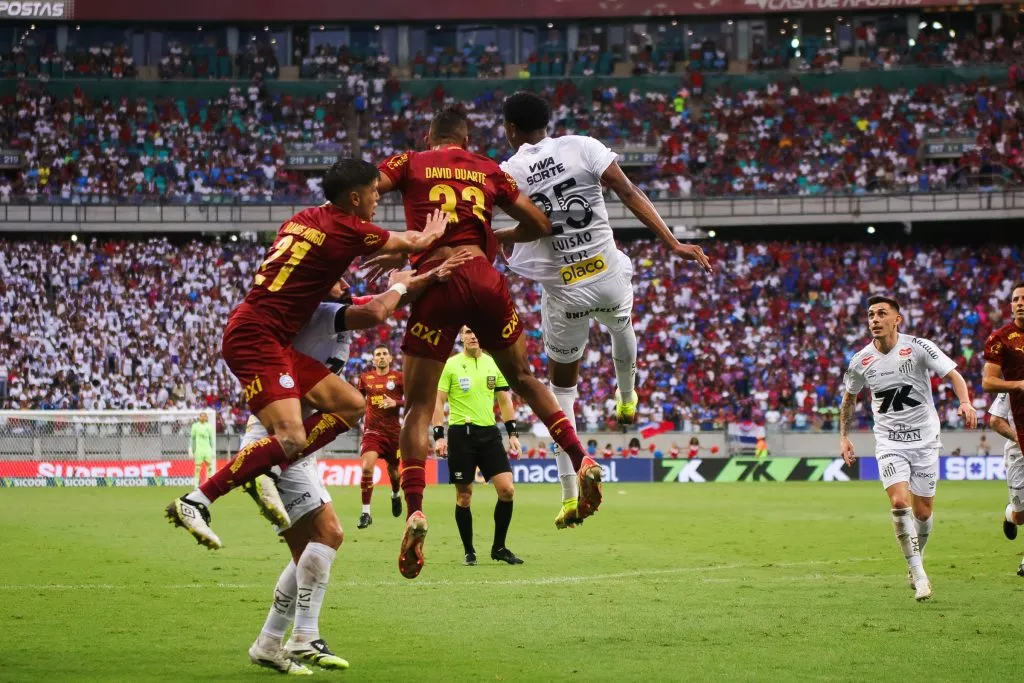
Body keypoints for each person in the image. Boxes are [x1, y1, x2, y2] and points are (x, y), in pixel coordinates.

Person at [165, 159, 450, 550]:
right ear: (354, 197)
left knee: (351, 404)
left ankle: (267, 465)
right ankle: (197, 500)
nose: (376, 200)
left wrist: (332, 277)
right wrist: (435, 232)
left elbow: (298, 263)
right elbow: (412, 245)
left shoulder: (302, 220)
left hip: (273, 338)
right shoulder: (347, 228)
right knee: (291, 438)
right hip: (258, 336)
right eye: (373, 192)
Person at [374, 105, 602, 579]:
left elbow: (362, 195)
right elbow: (541, 222)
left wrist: (397, 245)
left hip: (436, 275)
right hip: (482, 273)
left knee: (418, 406)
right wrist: (491, 240)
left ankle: (415, 510)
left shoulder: (408, 162)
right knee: (522, 376)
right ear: (467, 136)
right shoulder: (489, 169)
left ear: (429, 133)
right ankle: (582, 459)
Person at [498, 91, 711, 528]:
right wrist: (672, 242)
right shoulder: (583, 145)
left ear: (510, 130)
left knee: (562, 393)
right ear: (549, 120)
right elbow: (627, 190)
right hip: (608, 275)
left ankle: (570, 496)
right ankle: (628, 396)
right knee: (621, 326)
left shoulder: (510, 171)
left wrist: (497, 235)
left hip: (566, 289)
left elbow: (525, 228)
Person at [247, 262, 467, 674]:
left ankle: (270, 642)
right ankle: (303, 636)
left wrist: (426, 278)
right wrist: (403, 284)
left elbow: (375, 304)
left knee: (308, 553)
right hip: (280, 440)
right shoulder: (313, 310)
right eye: (338, 277)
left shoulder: (333, 311)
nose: (346, 282)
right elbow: (375, 311)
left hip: (299, 444)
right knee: (328, 535)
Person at [839, 295, 977, 602]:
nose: (874, 319)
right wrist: (844, 436)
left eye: (881, 314)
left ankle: (917, 559)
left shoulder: (918, 347)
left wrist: (965, 401)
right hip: (889, 442)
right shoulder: (860, 360)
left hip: (926, 441)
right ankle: (920, 574)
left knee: (923, 512)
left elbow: (953, 375)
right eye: (870, 314)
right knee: (900, 504)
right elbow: (849, 399)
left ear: (896, 320)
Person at [432, 327, 523, 566]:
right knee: (464, 497)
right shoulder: (451, 364)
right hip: (461, 434)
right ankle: (469, 551)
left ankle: (499, 547)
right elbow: (439, 401)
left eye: (477, 332)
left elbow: (504, 399)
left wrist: (513, 433)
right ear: (461, 336)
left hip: (490, 434)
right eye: (469, 332)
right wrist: (439, 436)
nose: (474, 336)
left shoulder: (493, 364)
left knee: (507, 490)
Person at [356, 346, 404, 529]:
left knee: (394, 473)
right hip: (372, 432)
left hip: (393, 434)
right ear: (373, 360)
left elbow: (414, 400)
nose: (382, 357)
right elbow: (358, 401)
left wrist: (396, 402)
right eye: (378, 355)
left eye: (385, 354)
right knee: (367, 468)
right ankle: (366, 513)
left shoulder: (399, 377)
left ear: (390, 358)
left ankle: (395, 493)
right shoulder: (365, 378)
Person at [982, 281, 1024, 466]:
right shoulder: (1000, 338)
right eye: (1016, 300)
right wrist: (1018, 384)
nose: (1020, 303)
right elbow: (988, 382)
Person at [988, 392, 1024, 575]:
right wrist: (1019, 438)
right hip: (1018, 455)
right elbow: (995, 421)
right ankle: (1010, 512)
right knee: (1020, 517)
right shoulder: (1011, 387)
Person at [189, 411, 216, 486]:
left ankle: (208, 485)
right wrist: (191, 448)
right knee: (197, 468)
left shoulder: (209, 426)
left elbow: (211, 439)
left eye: (204, 416)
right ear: (199, 417)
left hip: (207, 450)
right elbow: (192, 438)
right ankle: (196, 486)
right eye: (201, 416)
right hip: (199, 450)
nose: (203, 417)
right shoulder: (195, 426)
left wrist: (213, 450)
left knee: (209, 468)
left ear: (206, 418)